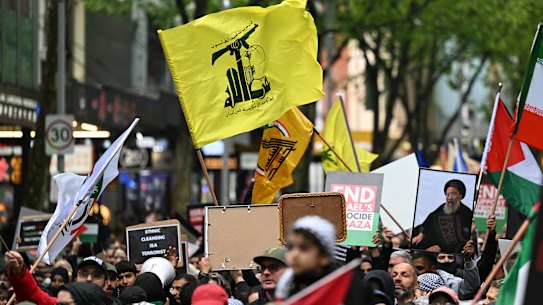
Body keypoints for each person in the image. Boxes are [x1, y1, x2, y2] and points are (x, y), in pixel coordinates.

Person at [275, 215, 337, 301]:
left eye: (304, 248)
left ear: (324, 256)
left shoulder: (341, 289)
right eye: (290, 247)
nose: (294, 255)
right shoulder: (286, 284)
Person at [412, 179, 473, 253]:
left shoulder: (467, 214)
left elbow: (463, 240)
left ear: (460, 196)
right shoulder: (442, 209)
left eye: (453, 194)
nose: (449, 198)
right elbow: (428, 223)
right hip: (431, 246)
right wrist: (421, 233)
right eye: (447, 194)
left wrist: (441, 248)